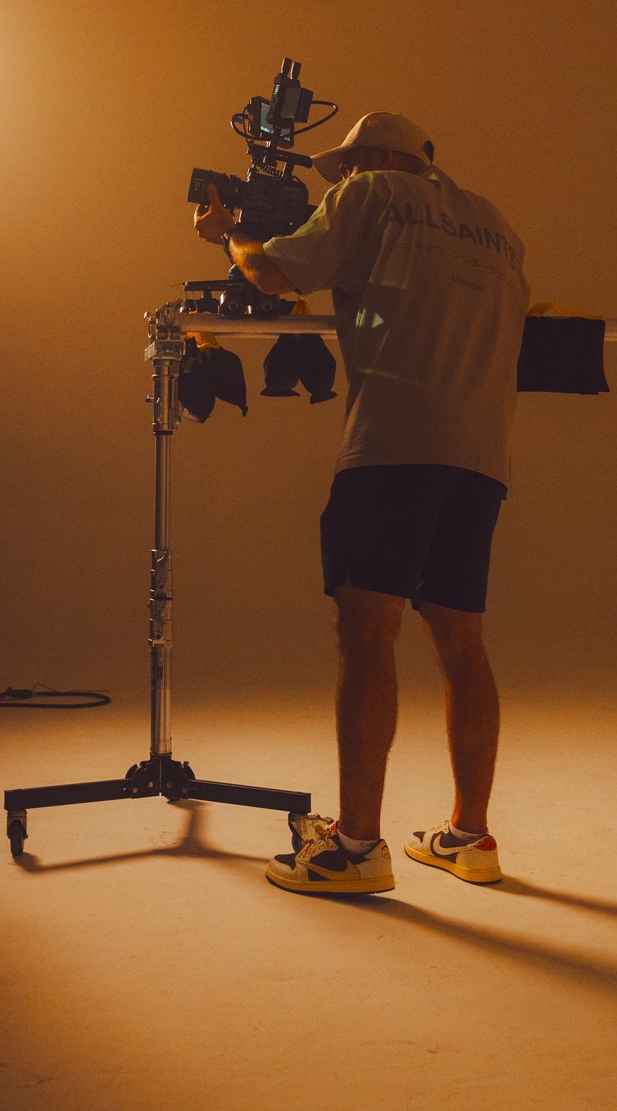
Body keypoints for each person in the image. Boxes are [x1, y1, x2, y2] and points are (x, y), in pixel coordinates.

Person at [193, 111, 529, 897]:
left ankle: (353, 845)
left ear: (380, 158)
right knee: (462, 644)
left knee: (365, 637)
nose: (334, 183)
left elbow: (275, 272)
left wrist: (226, 234)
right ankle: (468, 836)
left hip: (392, 444)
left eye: (341, 167)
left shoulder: (374, 191)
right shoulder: (497, 226)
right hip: (481, 455)